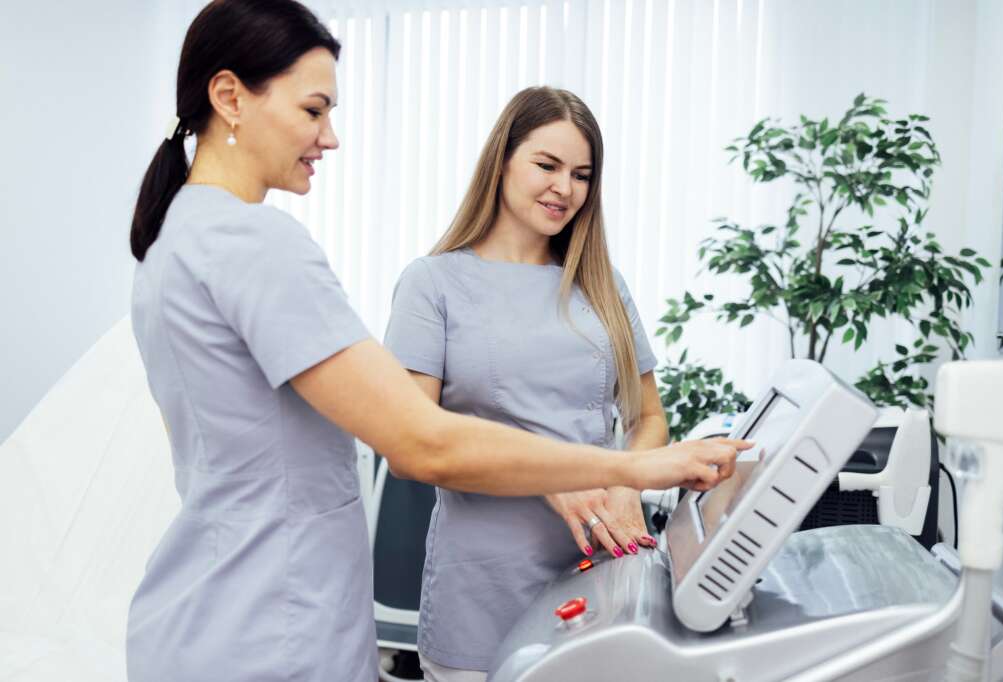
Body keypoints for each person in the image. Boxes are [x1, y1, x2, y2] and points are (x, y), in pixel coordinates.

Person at [126, 2, 749, 681]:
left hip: (221, 608)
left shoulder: (178, 238)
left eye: (582, 175)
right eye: (314, 110)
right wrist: (628, 469)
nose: (329, 137)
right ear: (229, 98)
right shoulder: (259, 244)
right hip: (269, 619)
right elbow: (424, 440)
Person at [384, 86, 683, 680]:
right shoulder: (432, 285)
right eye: (546, 165)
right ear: (502, 160)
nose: (564, 188)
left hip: (605, 571)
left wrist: (625, 485)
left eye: (581, 174)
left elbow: (648, 419)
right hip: (484, 589)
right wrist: (553, 476)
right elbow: (408, 451)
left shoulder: (602, 284)